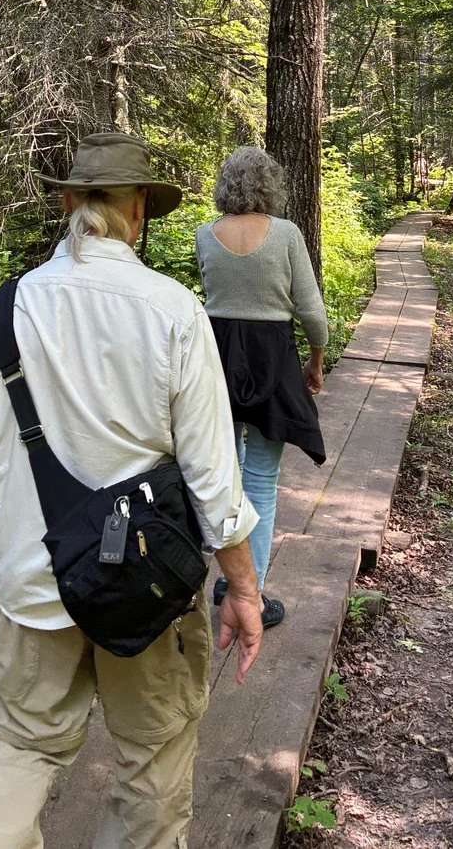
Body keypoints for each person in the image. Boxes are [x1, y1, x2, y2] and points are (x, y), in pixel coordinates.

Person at [0, 131, 263, 849]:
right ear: (140, 210)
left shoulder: (4, 310)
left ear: (65, 204)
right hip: (146, 589)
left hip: (29, 574)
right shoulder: (171, 309)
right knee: (151, 759)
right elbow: (212, 473)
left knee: (15, 750)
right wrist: (241, 587)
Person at [194, 146, 328, 629]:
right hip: (273, 357)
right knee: (262, 484)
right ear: (270, 185)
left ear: (225, 185)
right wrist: (315, 359)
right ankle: (254, 590)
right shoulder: (287, 234)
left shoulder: (204, 235)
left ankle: (227, 579)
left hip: (214, 360)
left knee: (220, 478)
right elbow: (310, 309)